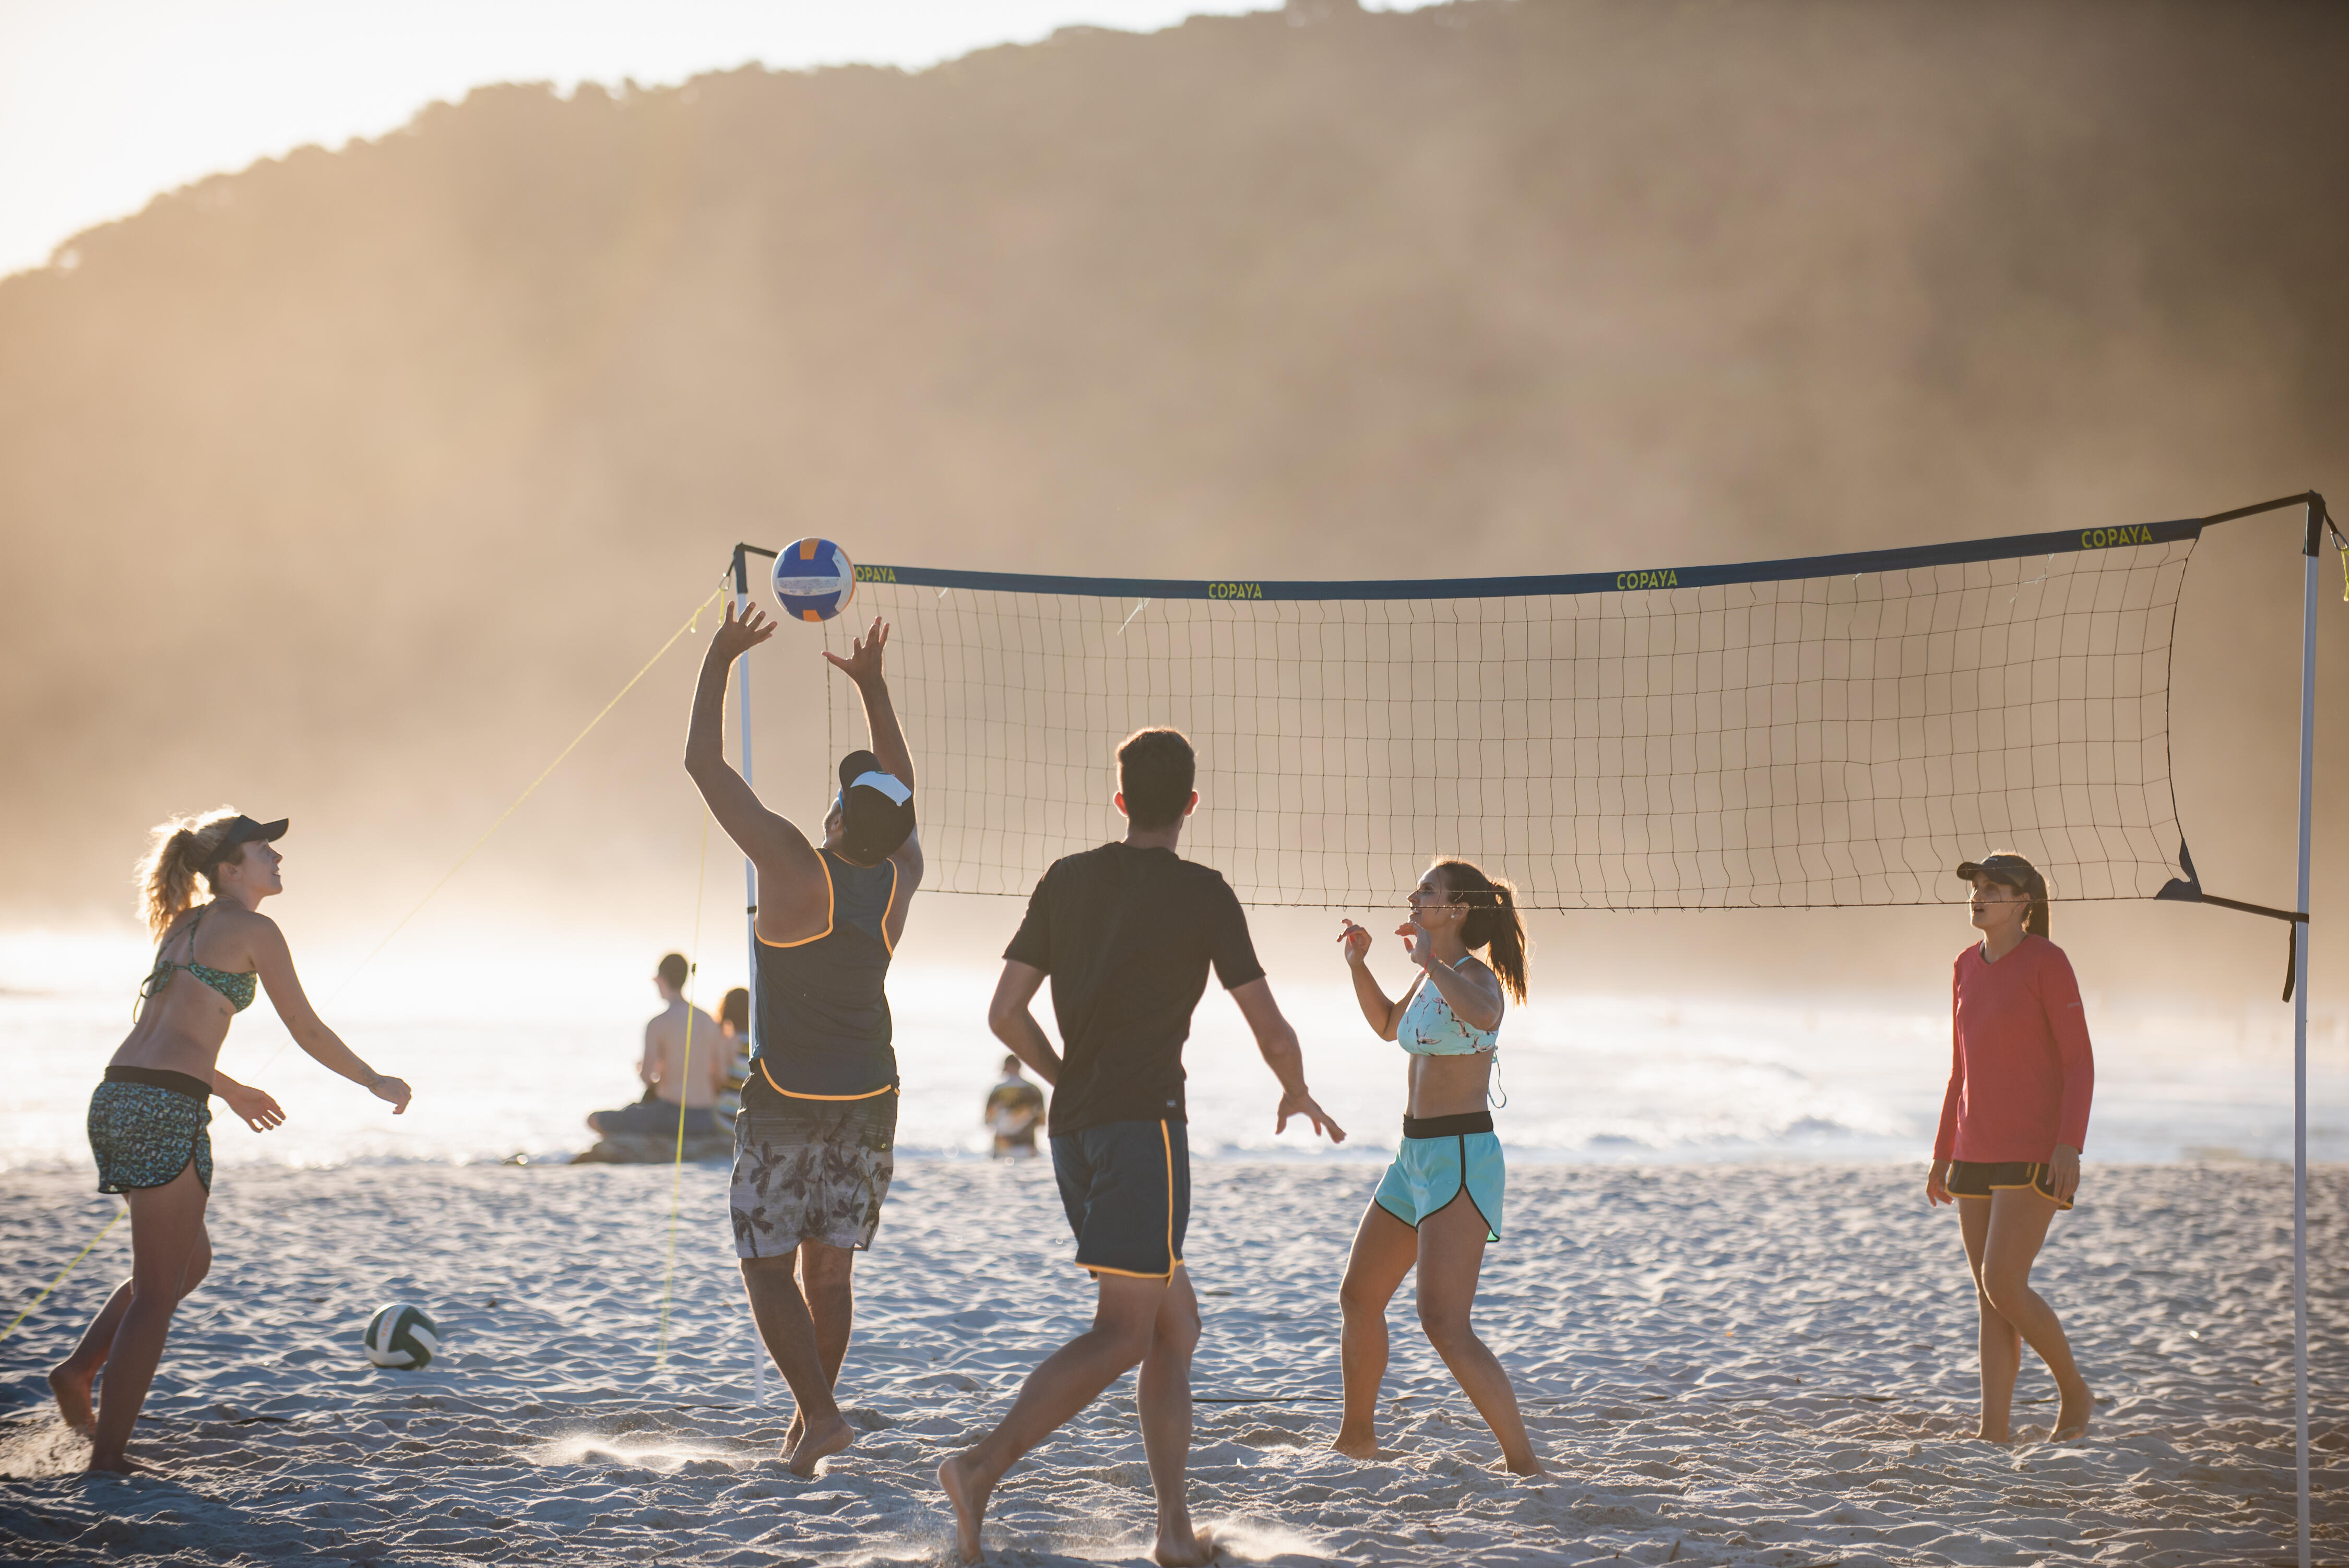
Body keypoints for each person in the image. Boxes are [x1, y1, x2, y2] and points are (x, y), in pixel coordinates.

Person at [938, 726, 1345, 1567]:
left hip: (1078, 1131)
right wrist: (1296, 1087)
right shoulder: (1205, 893)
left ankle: (1170, 1531)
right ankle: (980, 1469)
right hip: (1145, 1127)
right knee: (1125, 1334)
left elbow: (1005, 1015)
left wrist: (1064, 1078)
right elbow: (1269, 1023)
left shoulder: (1065, 879)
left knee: (1173, 1329)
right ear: (1191, 804)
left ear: (1120, 800)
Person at [54, 811, 411, 1473]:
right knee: (160, 1291)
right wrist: (373, 1078)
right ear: (230, 869)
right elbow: (304, 1026)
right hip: (163, 1104)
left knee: (187, 1265)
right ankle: (107, 1459)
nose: (277, 857)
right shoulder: (256, 930)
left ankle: (78, 1371)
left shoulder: (183, 925)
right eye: (263, 850)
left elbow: (166, 1032)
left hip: (119, 1092)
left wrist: (229, 1088)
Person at [686, 603, 922, 1477]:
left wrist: (719, 655)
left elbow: (702, 764)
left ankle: (819, 1415)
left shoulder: (793, 863)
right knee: (830, 1278)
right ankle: (807, 1424)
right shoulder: (900, 877)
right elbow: (899, 796)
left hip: (788, 1098)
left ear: (834, 816)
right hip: (870, 1098)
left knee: (765, 1269)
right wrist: (874, 689)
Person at [1329, 859, 1544, 1476]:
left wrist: (1430, 962)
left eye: (1427, 891)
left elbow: (1484, 1015)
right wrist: (1359, 966)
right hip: (1413, 1157)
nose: (1413, 897)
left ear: (1457, 911)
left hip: (1460, 1156)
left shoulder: (1473, 977)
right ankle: (1357, 1439)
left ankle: (1525, 1464)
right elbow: (1387, 1025)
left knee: (1444, 1322)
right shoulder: (1433, 977)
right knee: (1359, 1297)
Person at [1925, 851, 2096, 1444]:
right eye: (1976, 884)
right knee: (1988, 1298)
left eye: (1994, 887)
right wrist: (1942, 1151)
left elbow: (2079, 1063)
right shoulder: (1963, 966)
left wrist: (2069, 1144)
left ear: (2024, 902)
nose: (1979, 894)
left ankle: (2074, 1389)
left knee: (2004, 1280)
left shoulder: (2048, 962)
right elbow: (1959, 1070)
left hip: (2034, 1148)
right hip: (1974, 1147)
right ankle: (1993, 1431)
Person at [585, 953, 723, 1141]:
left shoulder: (658, 1024)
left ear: (662, 981)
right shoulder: (708, 1020)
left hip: (670, 1115)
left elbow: (646, 1078)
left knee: (594, 1119)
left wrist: (646, 1069)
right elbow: (720, 1075)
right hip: (706, 1117)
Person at [983, 1053, 1047, 1157]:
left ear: (1005, 1068)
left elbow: (988, 1121)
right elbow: (1042, 1122)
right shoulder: (1034, 1090)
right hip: (1028, 1146)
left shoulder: (997, 1091)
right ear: (1020, 1067)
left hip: (1002, 1146)